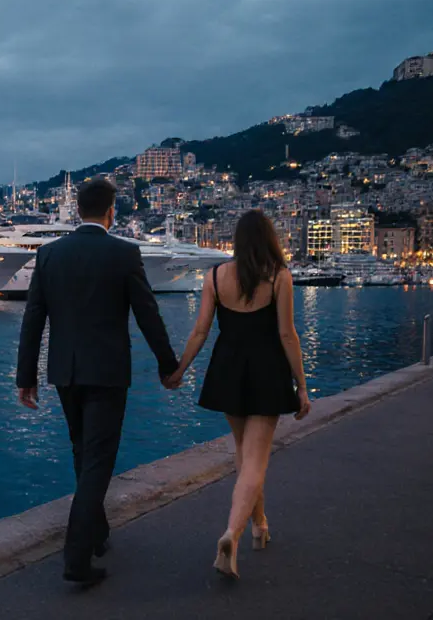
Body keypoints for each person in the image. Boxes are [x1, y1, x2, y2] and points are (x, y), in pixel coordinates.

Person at [16, 177, 181, 587]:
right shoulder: (123, 253)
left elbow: (33, 317)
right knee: (98, 460)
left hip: (65, 372)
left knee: (81, 450)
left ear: (76, 212)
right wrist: (168, 364)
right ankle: (76, 556)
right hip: (107, 372)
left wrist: (26, 377)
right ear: (112, 212)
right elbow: (147, 314)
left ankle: (97, 533)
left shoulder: (50, 254)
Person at [165, 209, 312, 579]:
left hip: (227, 371)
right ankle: (232, 533)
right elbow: (286, 335)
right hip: (266, 372)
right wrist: (302, 385)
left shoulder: (215, 276)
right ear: (269, 239)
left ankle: (260, 526)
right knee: (256, 461)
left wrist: (180, 369)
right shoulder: (279, 277)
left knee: (245, 454)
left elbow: (200, 331)